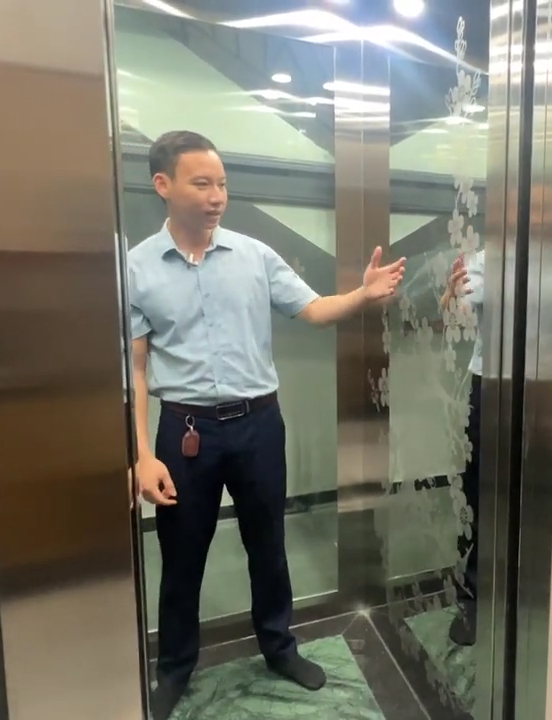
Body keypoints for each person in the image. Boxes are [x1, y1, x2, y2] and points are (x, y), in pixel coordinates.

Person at [128, 130, 404, 718]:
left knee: (268, 545)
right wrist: (141, 455)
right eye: (202, 183)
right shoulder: (136, 268)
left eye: (222, 184)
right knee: (182, 556)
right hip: (184, 433)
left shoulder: (254, 255)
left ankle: (279, 647)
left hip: (258, 426)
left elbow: (314, 309)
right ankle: (174, 667)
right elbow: (135, 368)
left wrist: (362, 294)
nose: (217, 196)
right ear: (163, 185)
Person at [440, 249, 482, 647]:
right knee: (479, 491)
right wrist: (452, 295)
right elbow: (460, 313)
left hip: (551, 385)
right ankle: (474, 597)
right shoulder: (485, 259)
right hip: (493, 383)